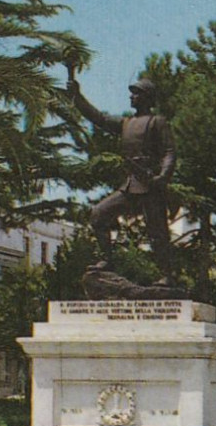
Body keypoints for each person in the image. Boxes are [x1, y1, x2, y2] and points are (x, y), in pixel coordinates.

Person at [67, 71, 177, 280]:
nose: (131, 97)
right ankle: (107, 259)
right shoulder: (125, 124)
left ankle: (167, 274)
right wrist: (77, 97)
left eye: (136, 94)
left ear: (146, 97)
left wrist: (162, 177)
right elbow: (98, 118)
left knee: (158, 233)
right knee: (99, 215)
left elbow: (170, 152)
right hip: (130, 184)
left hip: (151, 184)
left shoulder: (157, 122)